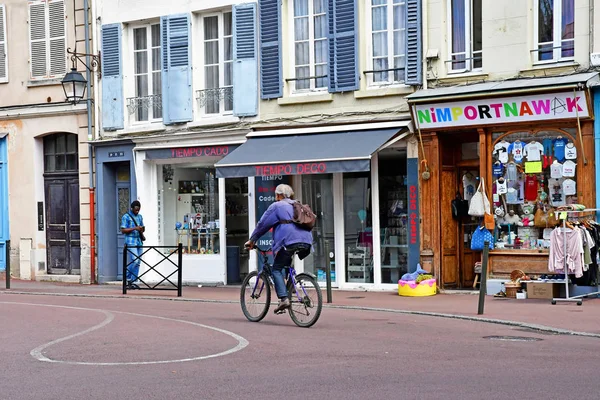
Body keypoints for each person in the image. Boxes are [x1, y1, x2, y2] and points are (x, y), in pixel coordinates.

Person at [245, 184, 313, 313]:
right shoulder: (297, 205)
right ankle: (290, 289)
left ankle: (283, 299)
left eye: (276, 195)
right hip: (306, 241)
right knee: (287, 265)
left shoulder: (276, 206)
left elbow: (262, 225)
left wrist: (252, 240)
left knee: (276, 269)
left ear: (278, 195)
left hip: (288, 242)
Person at [121, 200, 145, 289]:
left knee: (138, 262)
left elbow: (143, 227)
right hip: (130, 241)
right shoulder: (126, 217)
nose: (137, 211)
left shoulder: (140, 217)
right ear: (131, 208)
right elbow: (123, 230)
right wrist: (135, 228)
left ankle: (133, 281)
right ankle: (126, 278)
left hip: (139, 241)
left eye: (138, 210)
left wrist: (142, 229)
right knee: (135, 260)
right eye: (135, 210)